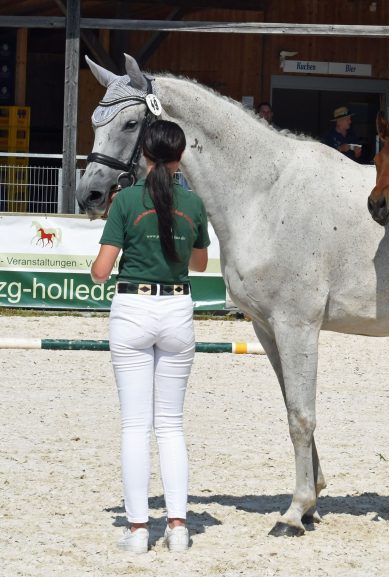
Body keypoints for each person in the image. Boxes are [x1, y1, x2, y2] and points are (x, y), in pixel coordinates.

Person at [90, 119, 210, 554]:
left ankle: (139, 529)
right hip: (177, 309)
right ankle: (178, 526)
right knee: (171, 426)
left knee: (134, 426)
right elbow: (198, 264)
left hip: (133, 310)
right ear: (180, 158)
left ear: (144, 155)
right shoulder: (193, 205)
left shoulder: (126, 202)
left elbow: (101, 272)